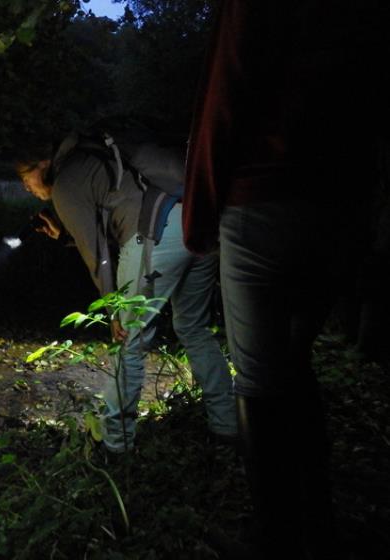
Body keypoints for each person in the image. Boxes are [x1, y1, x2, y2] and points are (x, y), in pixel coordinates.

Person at [183, 1, 387, 557]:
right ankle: (317, 522)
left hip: (263, 201)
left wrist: (198, 219)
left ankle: (274, 535)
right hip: (341, 205)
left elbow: (223, 97)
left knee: (260, 380)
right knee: (294, 364)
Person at [15, 131, 237, 454]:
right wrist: (64, 233)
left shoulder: (64, 184)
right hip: (194, 221)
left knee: (128, 344)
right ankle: (228, 425)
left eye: (26, 176)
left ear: (44, 164)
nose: (26, 186)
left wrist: (114, 309)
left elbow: (98, 255)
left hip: (154, 232)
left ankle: (115, 446)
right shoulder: (87, 157)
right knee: (193, 328)